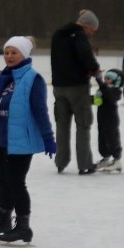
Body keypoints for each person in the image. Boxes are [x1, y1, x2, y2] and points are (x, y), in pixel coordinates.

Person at [0, 36, 56, 245]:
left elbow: (40, 111)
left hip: (21, 142)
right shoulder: (1, 78)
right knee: (3, 182)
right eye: (7, 52)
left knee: (16, 183)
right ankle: (4, 220)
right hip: (3, 140)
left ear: (25, 54)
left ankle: (23, 227)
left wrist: (49, 138)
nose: (9, 56)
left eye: (14, 52)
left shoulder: (33, 79)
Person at [50, 9, 101, 175]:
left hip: (58, 86)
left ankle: (61, 161)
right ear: (86, 26)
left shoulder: (58, 34)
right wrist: (94, 69)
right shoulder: (79, 35)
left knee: (62, 125)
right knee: (83, 124)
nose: (91, 34)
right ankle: (85, 164)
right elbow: (86, 54)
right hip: (77, 87)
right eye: (92, 30)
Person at [93, 69, 124, 173]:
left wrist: (99, 81)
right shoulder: (103, 89)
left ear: (116, 81)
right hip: (102, 119)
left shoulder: (116, 91)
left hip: (111, 119)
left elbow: (109, 96)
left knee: (112, 138)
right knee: (102, 138)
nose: (106, 80)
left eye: (109, 79)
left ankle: (117, 160)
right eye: (105, 78)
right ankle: (106, 158)